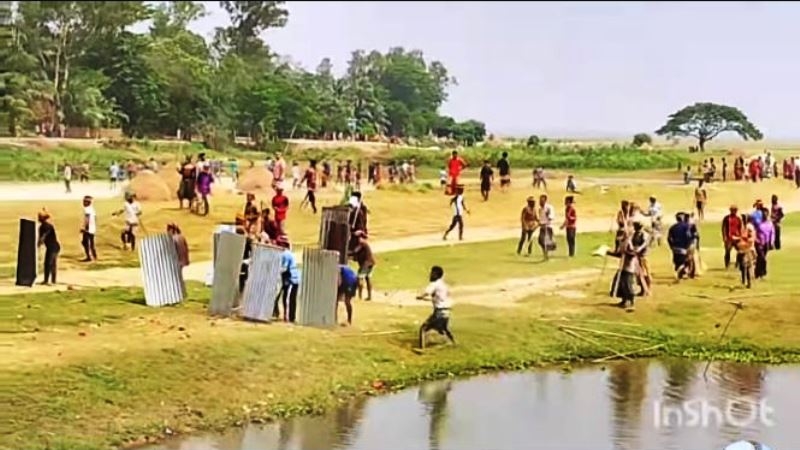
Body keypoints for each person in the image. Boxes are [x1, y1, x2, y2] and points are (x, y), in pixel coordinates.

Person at [415, 265, 455, 349]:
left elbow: (427, 293)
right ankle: (453, 343)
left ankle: (422, 349)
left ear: (436, 275)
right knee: (444, 329)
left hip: (439, 312)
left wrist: (420, 296)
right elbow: (439, 298)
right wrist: (423, 299)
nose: (430, 275)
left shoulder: (434, 284)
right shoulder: (443, 284)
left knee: (423, 329)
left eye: (432, 273)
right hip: (447, 311)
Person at [609, 223, 640, 311]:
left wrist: (626, 253)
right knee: (620, 283)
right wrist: (609, 253)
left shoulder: (628, 242)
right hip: (623, 266)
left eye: (620, 234)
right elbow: (619, 254)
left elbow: (633, 253)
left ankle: (630, 301)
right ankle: (623, 300)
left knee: (627, 284)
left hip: (629, 267)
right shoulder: (621, 242)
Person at [274, 235, 300, 322]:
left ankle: (288, 318)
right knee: (287, 298)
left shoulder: (285, 254)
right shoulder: (288, 253)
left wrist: (274, 271)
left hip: (291, 280)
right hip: (288, 280)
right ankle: (287, 316)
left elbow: (284, 268)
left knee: (288, 299)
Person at [37, 209, 60, 285]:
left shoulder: (48, 226)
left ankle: (50, 281)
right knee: (50, 263)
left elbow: (43, 236)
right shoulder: (41, 227)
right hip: (51, 247)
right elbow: (40, 238)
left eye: (40, 217)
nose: (38, 218)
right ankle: (50, 280)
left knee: (49, 263)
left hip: (54, 247)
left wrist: (40, 242)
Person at [350, 231, 375, 301]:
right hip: (371, 262)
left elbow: (355, 251)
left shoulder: (361, 242)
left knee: (359, 278)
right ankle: (369, 296)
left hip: (366, 263)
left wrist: (348, 253)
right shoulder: (364, 243)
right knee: (368, 278)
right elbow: (356, 257)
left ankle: (360, 296)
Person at [667, 213, 692, 279]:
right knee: (685, 261)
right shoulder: (686, 226)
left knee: (677, 262)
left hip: (675, 248)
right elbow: (688, 236)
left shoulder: (672, 227)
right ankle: (680, 273)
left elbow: (669, 238)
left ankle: (681, 274)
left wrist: (671, 246)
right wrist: (688, 245)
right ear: (682, 218)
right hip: (683, 247)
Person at [735, 214, 756, 288]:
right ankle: (744, 280)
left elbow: (750, 238)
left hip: (747, 249)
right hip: (742, 249)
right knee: (742, 266)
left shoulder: (749, 227)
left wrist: (741, 238)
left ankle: (748, 282)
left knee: (746, 266)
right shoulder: (742, 227)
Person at [755, 206, 774, 280]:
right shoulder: (758, 223)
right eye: (763, 214)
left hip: (766, 244)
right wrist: (756, 239)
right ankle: (763, 272)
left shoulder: (770, 223)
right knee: (762, 258)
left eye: (766, 214)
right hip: (759, 243)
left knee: (760, 258)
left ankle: (757, 273)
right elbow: (754, 232)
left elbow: (772, 233)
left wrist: (771, 242)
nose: (765, 215)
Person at [537, 194, 556, 260]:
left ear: (545, 200)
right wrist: (539, 223)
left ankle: (546, 255)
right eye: (540, 200)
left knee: (546, 242)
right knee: (540, 241)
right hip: (542, 227)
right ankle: (545, 254)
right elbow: (541, 219)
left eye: (541, 200)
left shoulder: (549, 208)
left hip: (548, 227)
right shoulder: (540, 209)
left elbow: (551, 217)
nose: (540, 202)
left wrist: (547, 216)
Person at [80, 196, 98, 262]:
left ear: (88, 202)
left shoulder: (87, 209)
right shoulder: (92, 209)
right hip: (92, 228)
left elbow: (87, 219)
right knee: (91, 243)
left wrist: (85, 228)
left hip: (88, 229)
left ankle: (89, 257)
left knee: (85, 242)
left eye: (84, 202)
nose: (83, 203)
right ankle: (94, 256)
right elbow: (95, 218)